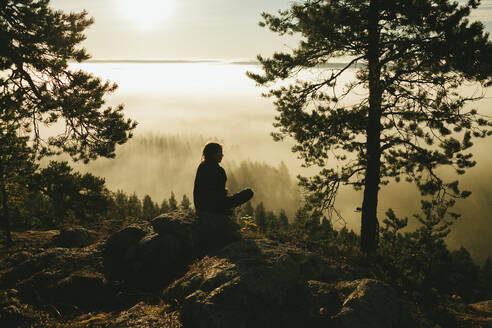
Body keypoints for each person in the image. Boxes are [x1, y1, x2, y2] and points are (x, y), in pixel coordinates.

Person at [193, 142, 253, 215]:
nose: (222, 155)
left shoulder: (201, 166)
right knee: (249, 192)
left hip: (200, 207)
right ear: (214, 154)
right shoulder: (219, 171)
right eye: (220, 153)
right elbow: (219, 197)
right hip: (213, 208)